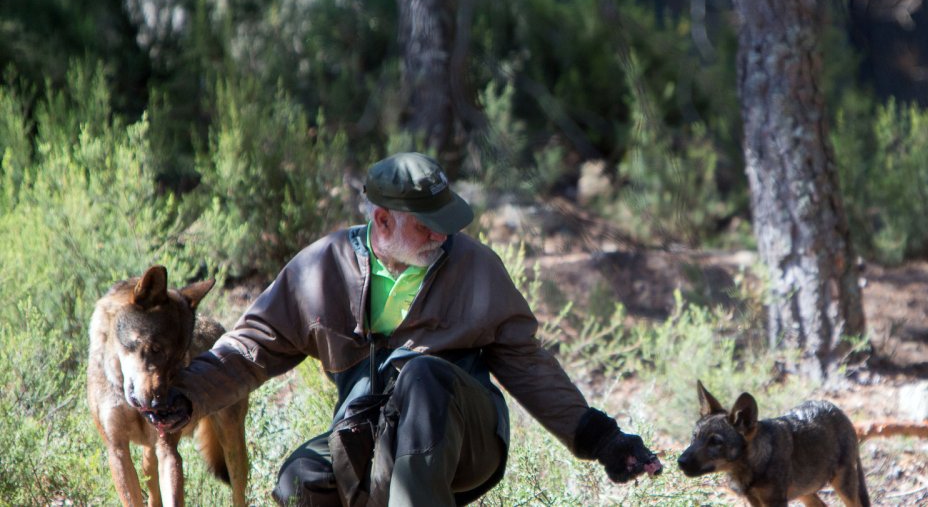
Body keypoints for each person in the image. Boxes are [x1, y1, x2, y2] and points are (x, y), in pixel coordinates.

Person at [147, 151, 661, 506]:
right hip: (371, 439)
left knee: (421, 378)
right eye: (426, 222)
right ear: (382, 221)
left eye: (445, 218)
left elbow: (527, 362)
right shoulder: (323, 268)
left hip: (467, 436)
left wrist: (602, 438)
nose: (443, 233)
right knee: (298, 483)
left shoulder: (475, 267)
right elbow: (251, 346)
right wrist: (187, 394)